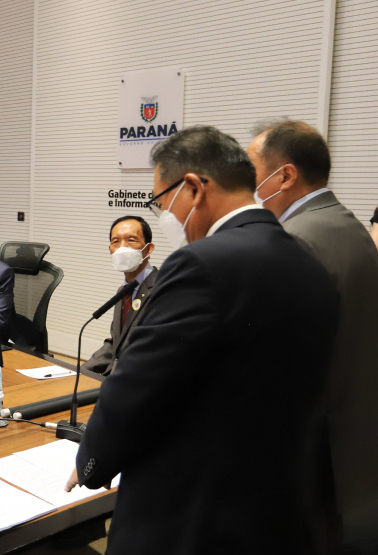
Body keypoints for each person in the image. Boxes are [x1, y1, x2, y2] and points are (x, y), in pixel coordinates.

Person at [66, 125, 337, 555]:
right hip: (275, 508)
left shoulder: (201, 264)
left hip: (188, 516)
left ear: (191, 187)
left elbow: (139, 385)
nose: (165, 218)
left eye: (161, 204)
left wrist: (91, 460)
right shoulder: (310, 262)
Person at [248, 118, 378, 550]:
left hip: (305, 448)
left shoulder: (294, 239)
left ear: (284, 175)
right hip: (346, 437)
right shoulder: (347, 224)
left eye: (252, 171)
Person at [80, 215, 157, 376]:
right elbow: (116, 343)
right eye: (116, 241)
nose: (123, 247)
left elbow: (157, 352)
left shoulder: (162, 289)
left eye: (131, 240)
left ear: (148, 249)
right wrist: (80, 373)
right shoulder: (123, 290)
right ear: (110, 249)